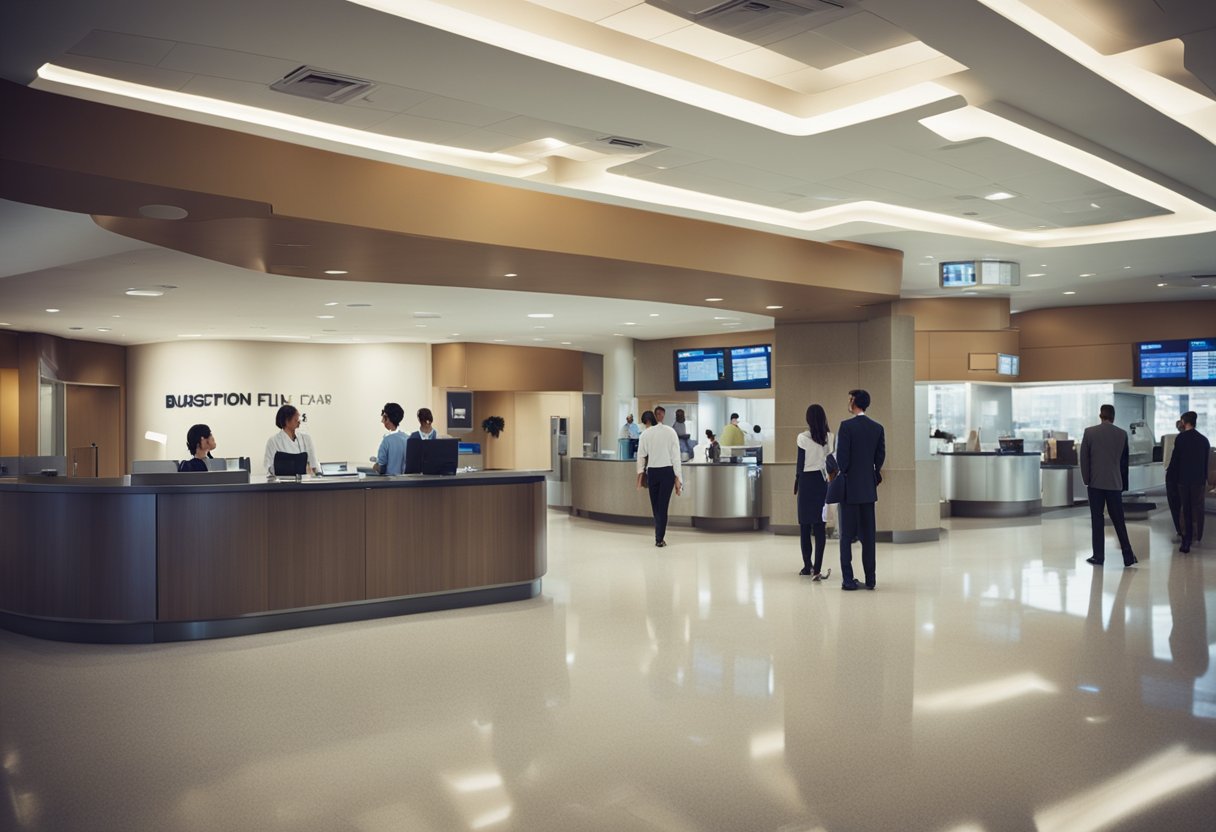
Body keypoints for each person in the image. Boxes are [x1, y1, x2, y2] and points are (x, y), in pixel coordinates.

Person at [836, 389, 885, 590]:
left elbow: (842, 460)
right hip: (868, 489)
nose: (848, 402)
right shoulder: (877, 428)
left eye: (850, 399)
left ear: (854, 402)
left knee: (846, 537)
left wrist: (846, 471)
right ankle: (871, 579)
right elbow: (879, 458)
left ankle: (848, 579)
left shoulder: (846, 427)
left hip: (849, 490)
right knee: (868, 537)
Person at [1079, 403, 1137, 567]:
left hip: (1095, 483)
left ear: (1100, 415)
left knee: (1097, 519)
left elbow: (1084, 458)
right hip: (1114, 483)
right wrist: (1123, 484)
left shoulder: (1089, 432)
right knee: (1119, 519)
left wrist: (1086, 479)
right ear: (1113, 417)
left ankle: (1098, 556)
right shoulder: (1122, 434)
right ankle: (1128, 555)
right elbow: (1124, 462)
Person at [795, 404, 833, 581]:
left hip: (806, 482)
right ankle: (817, 568)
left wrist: (797, 482)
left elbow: (800, 464)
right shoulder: (830, 437)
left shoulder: (802, 438)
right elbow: (830, 462)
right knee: (820, 526)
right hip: (822, 482)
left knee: (805, 526)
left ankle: (807, 566)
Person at [636, 410, 682, 547]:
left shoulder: (645, 434)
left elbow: (641, 456)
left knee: (655, 506)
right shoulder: (670, 432)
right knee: (663, 506)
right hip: (667, 471)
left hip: (653, 472)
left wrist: (639, 475)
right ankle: (659, 538)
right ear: (658, 416)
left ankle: (658, 537)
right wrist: (678, 478)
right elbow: (676, 457)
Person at [1169, 411, 1210, 553]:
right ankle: (1197, 535)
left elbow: (1176, 460)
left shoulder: (1181, 438)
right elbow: (1206, 463)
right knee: (1197, 508)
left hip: (1183, 480)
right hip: (1198, 481)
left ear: (1184, 422)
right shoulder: (1204, 440)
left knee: (1185, 509)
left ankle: (1186, 540)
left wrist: (1171, 477)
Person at [264, 404, 318, 476]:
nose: (299, 421)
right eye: (296, 418)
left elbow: (313, 462)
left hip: (303, 482)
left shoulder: (306, 439)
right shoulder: (273, 441)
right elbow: (269, 466)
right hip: (282, 483)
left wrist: (318, 474)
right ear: (287, 421)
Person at [374, 402, 409, 475]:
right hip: (406, 483)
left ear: (388, 418)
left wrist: (376, 466)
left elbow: (381, 468)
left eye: (383, 417)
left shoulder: (386, 440)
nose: (382, 421)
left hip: (390, 483)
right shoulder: (407, 438)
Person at [1165, 418, 1185, 541]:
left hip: (1174, 477)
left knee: (1176, 504)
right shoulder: (1199, 439)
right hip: (1186, 477)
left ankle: (1180, 528)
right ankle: (1184, 529)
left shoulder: (1177, 439)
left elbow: (1173, 460)